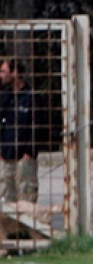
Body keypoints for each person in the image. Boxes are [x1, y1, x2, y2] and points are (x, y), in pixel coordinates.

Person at [0, 57, 39, 204]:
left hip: (24, 158)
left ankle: (25, 228)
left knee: (26, 199)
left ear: (15, 72)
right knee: (6, 201)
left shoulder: (31, 97)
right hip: (5, 157)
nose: (1, 75)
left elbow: (37, 127)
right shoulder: (4, 96)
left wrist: (29, 153)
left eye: (3, 71)